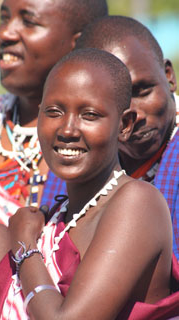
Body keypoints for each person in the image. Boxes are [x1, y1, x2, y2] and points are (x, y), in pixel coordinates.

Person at [0, 49, 179, 319]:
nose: (67, 130)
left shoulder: (137, 202)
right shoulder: (53, 220)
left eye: (89, 115)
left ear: (125, 125)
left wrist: (25, 247)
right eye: (54, 112)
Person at [0, 0, 109, 226]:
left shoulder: (104, 138)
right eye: (4, 18)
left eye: (28, 21)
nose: (5, 33)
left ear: (77, 42)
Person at [75, 15, 179, 260]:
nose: (135, 115)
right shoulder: (79, 161)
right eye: (116, 100)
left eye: (142, 91)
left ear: (169, 75)